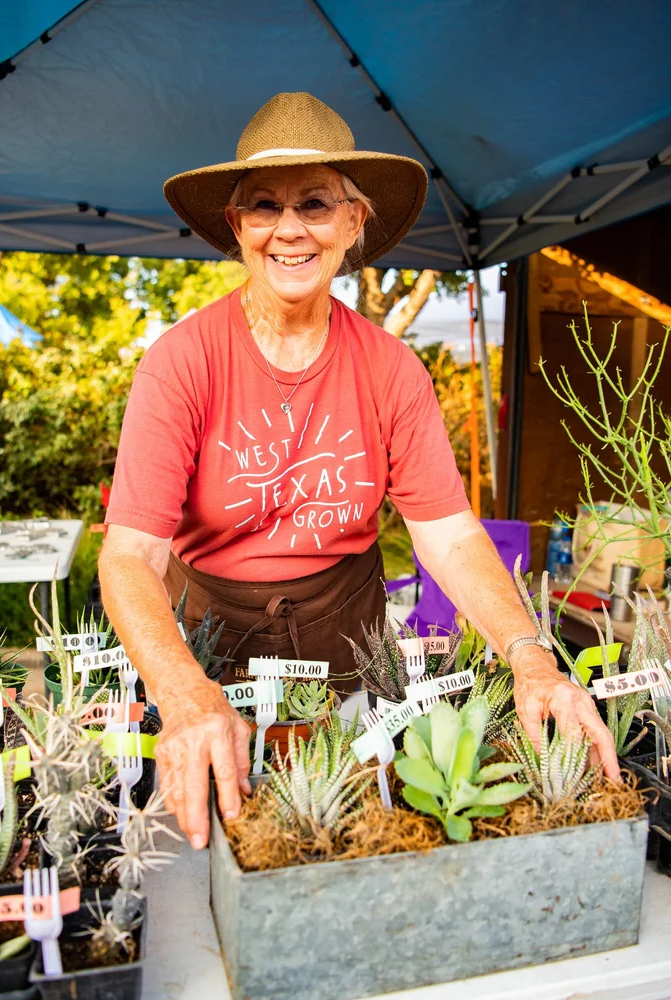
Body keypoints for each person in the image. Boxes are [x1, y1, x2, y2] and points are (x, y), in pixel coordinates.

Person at [99, 92, 620, 850]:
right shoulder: (181, 363)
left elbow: (449, 537)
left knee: (357, 827)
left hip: (348, 640)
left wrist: (529, 653)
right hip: (209, 650)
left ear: (353, 223)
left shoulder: (390, 370)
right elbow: (129, 555)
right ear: (237, 226)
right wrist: (183, 691)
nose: (289, 228)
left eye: (315, 203)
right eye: (264, 205)